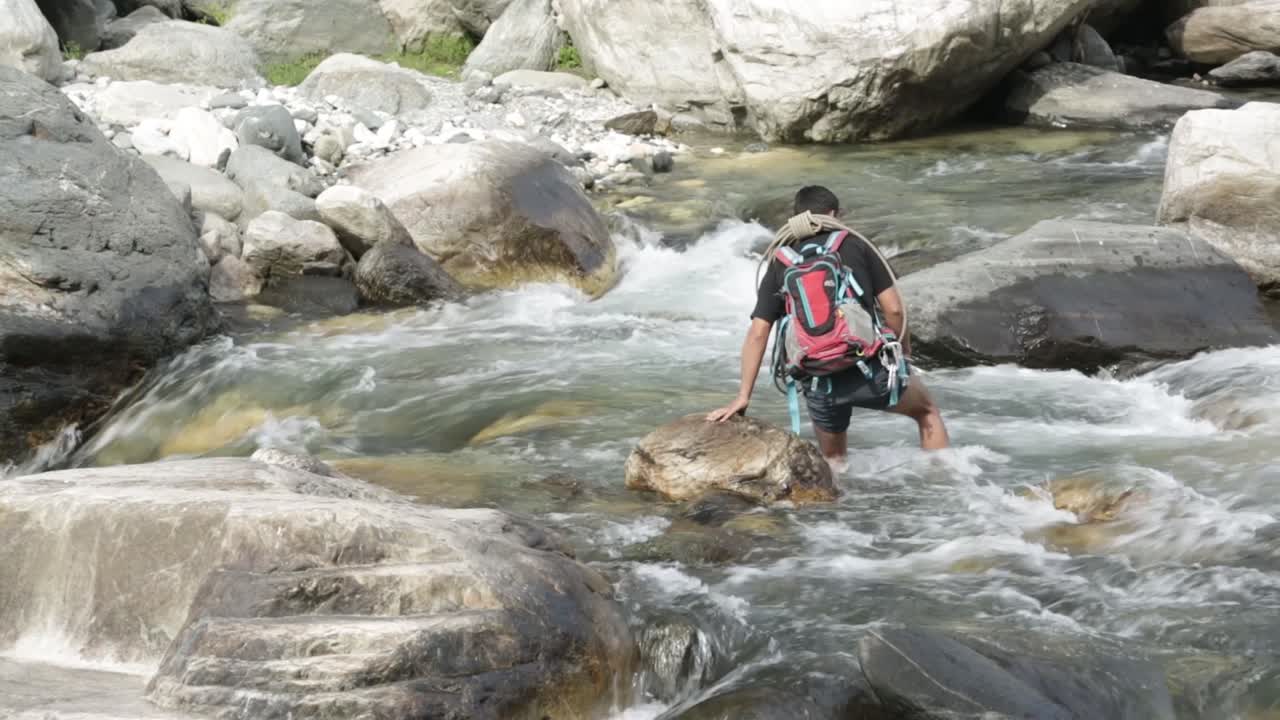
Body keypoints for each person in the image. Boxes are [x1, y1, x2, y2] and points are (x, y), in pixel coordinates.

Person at [706, 185, 950, 466]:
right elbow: (894, 309)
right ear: (835, 213)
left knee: (834, 463)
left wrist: (743, 396)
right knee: (927, 412)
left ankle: (833, 511)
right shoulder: (855, 244)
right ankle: (944, 486)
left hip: (819, 381)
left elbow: (758, 333)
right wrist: (903, 354)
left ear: (795, 216)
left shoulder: (781, 260)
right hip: (870, 370)